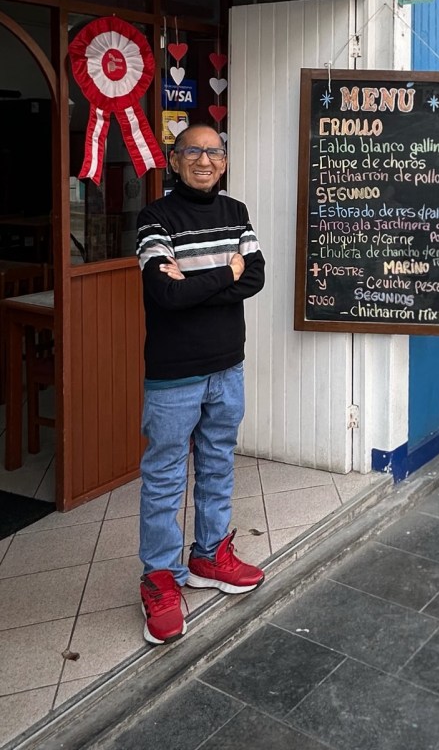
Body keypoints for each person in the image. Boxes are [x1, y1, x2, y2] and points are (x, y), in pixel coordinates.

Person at [135, 123, 266, 645]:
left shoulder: (236, 213)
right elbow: (165, 296)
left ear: (225, 161)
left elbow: (255, 276)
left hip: (227, 365)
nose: (205, 160)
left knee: (218, 464)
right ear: (175, 159)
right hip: (173, 373)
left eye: (214, 152)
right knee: (165, 476)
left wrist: (200, 281)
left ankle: (209, 556)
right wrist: (226, 273)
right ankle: (160, 578)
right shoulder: (154, 218)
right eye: (193, 151)